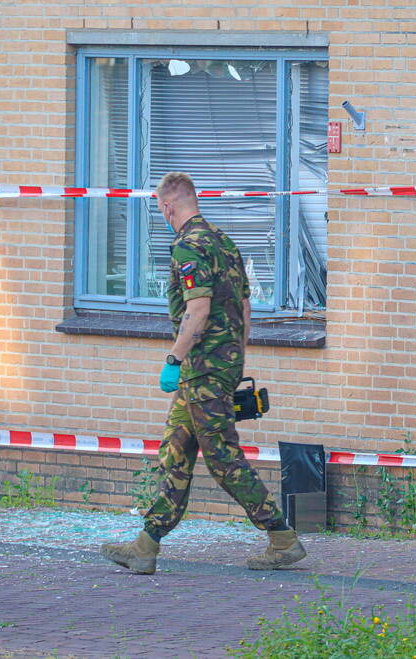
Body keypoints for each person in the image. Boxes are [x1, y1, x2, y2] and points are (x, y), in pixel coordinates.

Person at [100, 172, 307, 574]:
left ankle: (282, 537)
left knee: (223, 459)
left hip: (202, 371)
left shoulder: (188, 246)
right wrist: (236, 358)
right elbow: (244, 308)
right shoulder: (223, 241)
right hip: (216, 367)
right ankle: (145, 546)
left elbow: (198, 311)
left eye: (160, 209)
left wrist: (174, 360)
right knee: (175, 451)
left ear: (167, 206)